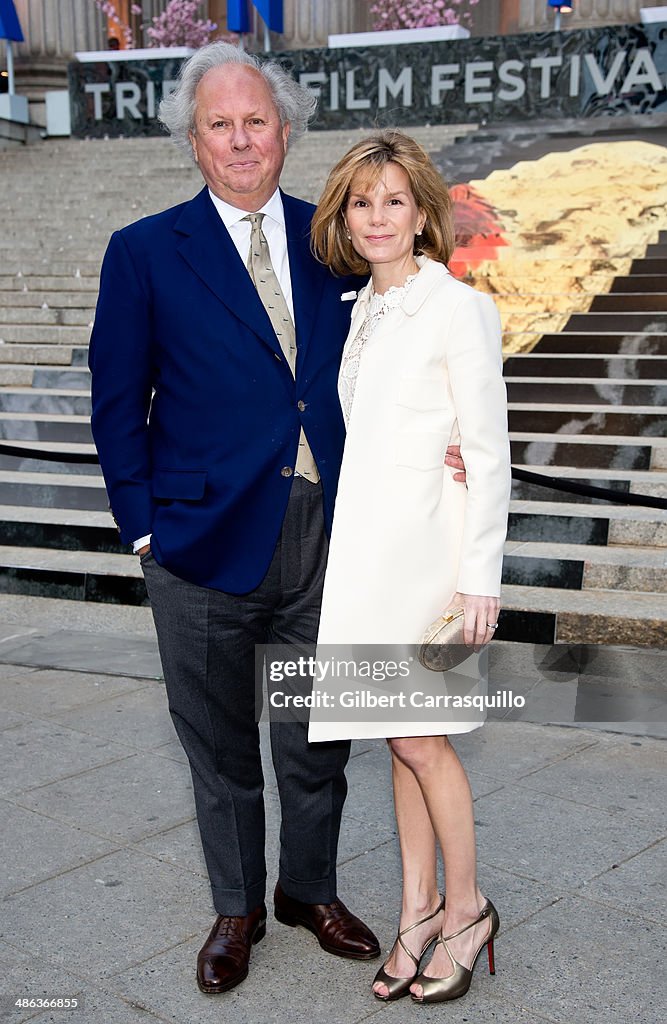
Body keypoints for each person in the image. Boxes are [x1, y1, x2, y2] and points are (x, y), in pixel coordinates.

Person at [89, 42, 465, 996]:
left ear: (286, 134)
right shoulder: (142, 252)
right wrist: (143, 529)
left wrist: (453, 434)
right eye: (220, 123)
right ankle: (237, 909)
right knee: (217, 748)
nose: (241, 139)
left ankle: (307, 890)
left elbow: (415, 327)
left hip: (329, 543)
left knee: (314, 737)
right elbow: (114, 400)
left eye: (257, 120)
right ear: (193, 140)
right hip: (198, 547)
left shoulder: (335, 236)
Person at [309, 132, 511, 1004]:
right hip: (368, 557)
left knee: (422, 739)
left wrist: (480, 576)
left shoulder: (454, 306)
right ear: (343, 217)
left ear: (423, 211)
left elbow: (490, 450)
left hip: (431, 557)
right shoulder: (365, 305)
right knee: (395, 741)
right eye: (361, 201)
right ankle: (416, 909)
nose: (377, 216)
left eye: (393, 199)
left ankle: (466, 910)